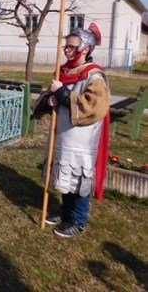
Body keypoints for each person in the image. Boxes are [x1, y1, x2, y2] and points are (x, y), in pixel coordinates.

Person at [38, 23, 110, 238]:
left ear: (85, 49)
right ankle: (65, 211)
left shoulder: (94, 76)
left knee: (79, 177)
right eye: (66, 46)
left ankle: (78, 220)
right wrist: (49, 100)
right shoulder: (64, 71)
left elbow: (93, 106)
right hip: (63, 134)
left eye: (71, 46)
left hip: (82, 137)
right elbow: (53, 95)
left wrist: (61, 93)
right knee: (65, 174)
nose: (66, 50)